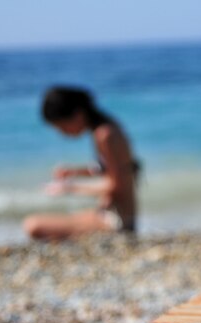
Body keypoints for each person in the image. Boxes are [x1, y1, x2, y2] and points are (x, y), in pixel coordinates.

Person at [24, 86, 138, 239]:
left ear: (77, 114)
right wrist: (74, 172)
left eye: (62, 126)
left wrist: (69, 187)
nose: (62, 133)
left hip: (117, 221)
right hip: (111, 214)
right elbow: (109, 169)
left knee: (33, 225)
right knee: (63, 218)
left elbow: (116, 186)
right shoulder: (107, 128)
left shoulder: (105, 135)